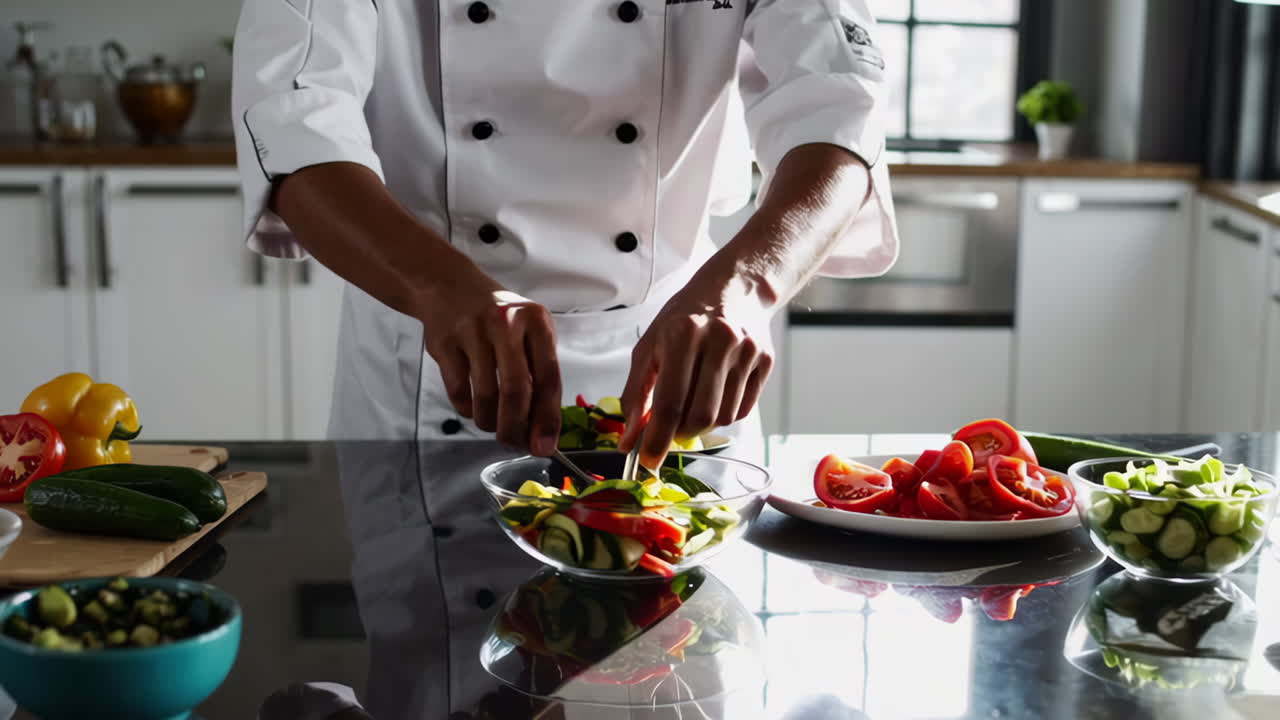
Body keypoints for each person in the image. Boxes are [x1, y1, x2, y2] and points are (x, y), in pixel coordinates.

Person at [231, 0, 899, 466]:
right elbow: (293, 115)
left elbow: (838, 107)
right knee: (436, 666)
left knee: (678, 656)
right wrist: (438, 287)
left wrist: (747, 287)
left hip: (680, 345)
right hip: (428, 365)